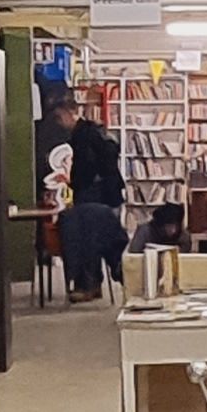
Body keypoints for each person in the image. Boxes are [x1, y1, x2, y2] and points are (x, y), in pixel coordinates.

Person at [40, 85, 125, 300]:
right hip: (108, 194)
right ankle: (93, 282)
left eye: (60, 118)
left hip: (95, 195)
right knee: (90, 232)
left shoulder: (82, 137)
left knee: (80, 229)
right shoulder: (94, 131)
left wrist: (73, 183)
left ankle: (88, 283)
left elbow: (85, 170)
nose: (60, 124)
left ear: (69, 113)